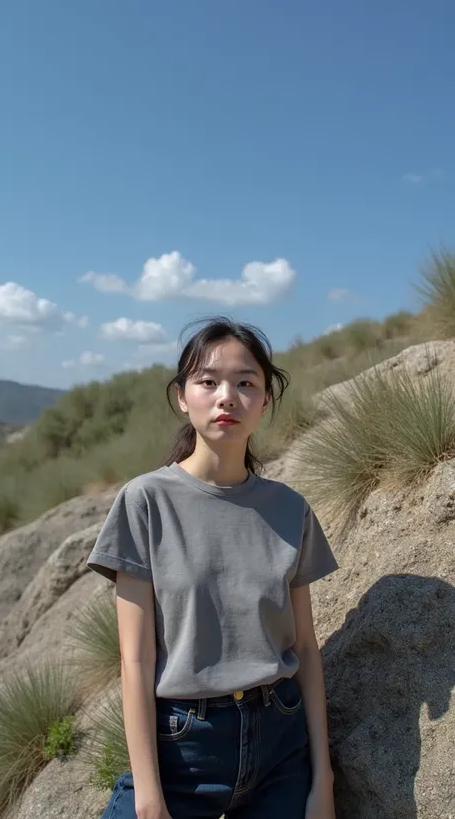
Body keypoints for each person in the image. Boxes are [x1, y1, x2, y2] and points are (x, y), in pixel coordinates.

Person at [87, 316, 339, 819]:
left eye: (246, 383)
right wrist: (149, 796)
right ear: (183, 396)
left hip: (281, 746)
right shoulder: (145, 502)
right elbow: (134, 662)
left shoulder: (291, 509)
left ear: (265, 401)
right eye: (208, 381)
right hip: (182, 747)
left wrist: (323, 779)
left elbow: (306, 649)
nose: (227, 397)